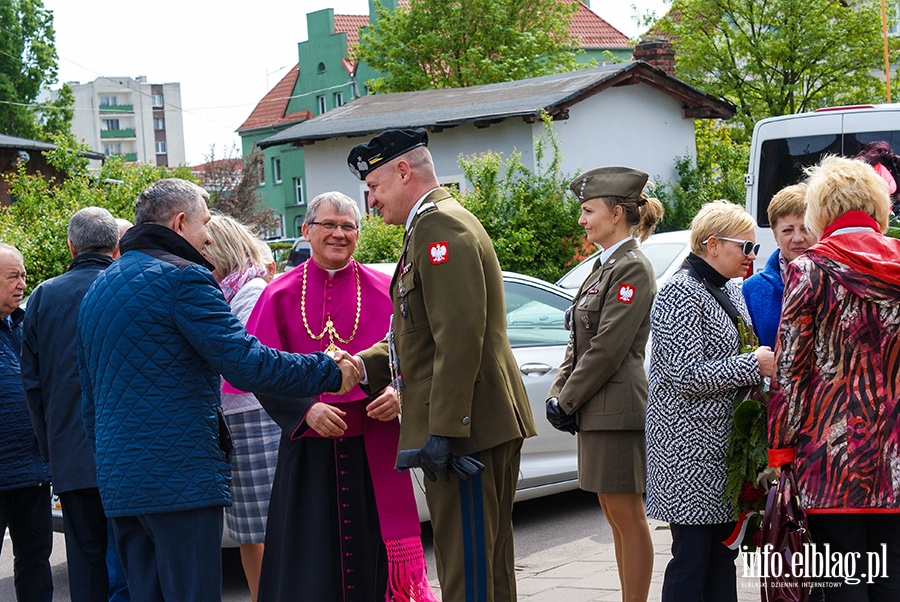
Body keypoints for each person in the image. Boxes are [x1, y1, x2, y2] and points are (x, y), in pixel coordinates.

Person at [77, 178, 359, 602]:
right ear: (181, 221)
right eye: (206, 223)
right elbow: (246, 364)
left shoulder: (99, 287)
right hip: (180, 479)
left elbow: (89, 400)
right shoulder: (184, 279)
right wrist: (327, 370)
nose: (209, 236)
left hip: (120, 482)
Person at [346, 128, 537, 602]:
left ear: (403, 171)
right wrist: (354, 367)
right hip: (475, 419)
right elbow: (415, 335)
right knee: (485, 569)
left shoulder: (439, 228)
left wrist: (445, 429)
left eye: (374, 187)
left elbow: (459, 335)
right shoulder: (431, 225)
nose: (371, 201)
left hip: (466, 427)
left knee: (468, 574)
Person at [240, 191, 435, 602]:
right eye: (329, 224)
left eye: (348, 226)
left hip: (374, 442)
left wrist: (398, 392)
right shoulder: (277, 293)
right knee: (309, 553)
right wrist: (304, 408)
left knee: (375, 551)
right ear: (307, 230)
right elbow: (258, 369)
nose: (339, 234)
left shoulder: (387, 289)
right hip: (309, 450)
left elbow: (418, 355)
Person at [768, 155, 900, 600]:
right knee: (894, 573)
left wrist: (780, 449)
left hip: (830, 456)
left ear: (820, 211)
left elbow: (789, 370)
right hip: (897, 453)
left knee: (842, 578)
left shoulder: (809, 270)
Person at [645, 200, 774, 602]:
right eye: (745, 247)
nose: (752, 257)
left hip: (718, 455)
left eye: (755, 249)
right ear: (712, 244)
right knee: (692, 563)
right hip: (687, 454)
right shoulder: (679, 293)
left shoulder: (727, 289)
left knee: (721, 560)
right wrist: (753, 364)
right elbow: (685, 375)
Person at [545, 166, 664, 602]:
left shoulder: (631, 268)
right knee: (613, 514)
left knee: (626, 515)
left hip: (615, 409)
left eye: (588, 210)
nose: (582, 220)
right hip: (598, 409)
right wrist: (560, 392)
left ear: (616, 213)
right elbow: (579, 342)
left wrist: (568, 399)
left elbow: (608, 347)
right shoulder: (604, 267)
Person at [21, 207, 124, 602]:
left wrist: (51, 449)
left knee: (86, 559)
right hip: (128, 451)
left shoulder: (44, 295)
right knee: (134, 558)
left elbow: (32, 382)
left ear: (70, 246)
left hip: (70, 453)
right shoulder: (126, 286)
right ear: (117, 246)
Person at [202, 214, 280, 602]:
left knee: (257, 533)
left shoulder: (250, 291)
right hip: (244, 416)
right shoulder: (232, 290)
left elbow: (239, 364)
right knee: (254, 532)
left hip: (254, 418)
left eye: (203, 249)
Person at [0, 242, 53, 602]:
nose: (22, 284)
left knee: (35, 560)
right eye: (12, 276)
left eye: (23, 275)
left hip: (32, 471)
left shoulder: (22, 325)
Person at [742, 183, 817, 347]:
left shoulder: (837, 282)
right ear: (775, 235)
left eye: (806, 229)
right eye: (787, 230)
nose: (797, 238)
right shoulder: (752, 289)